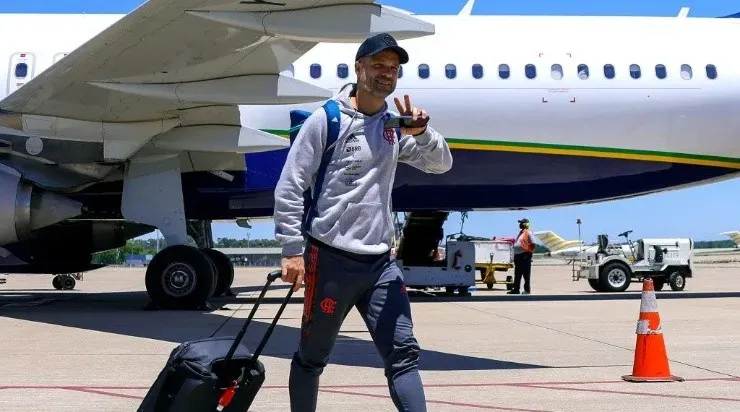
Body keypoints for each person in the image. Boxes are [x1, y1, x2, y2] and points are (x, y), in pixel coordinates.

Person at [272, 32, 453, 412]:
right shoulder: (327, 120)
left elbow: (440, 164)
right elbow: (290, 187)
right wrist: (291, 251)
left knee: (403, 355)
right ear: (359, 68)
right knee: (312, 358)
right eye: (378, 66)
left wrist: (422, 134)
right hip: (331, 260)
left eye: (393, 68)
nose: (386, 74)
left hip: (381, 265)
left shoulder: (391, 126)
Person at [508, 218, 536, 295]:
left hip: (525, 256)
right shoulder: (521, 233)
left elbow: (533, 243)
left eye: (521, 223)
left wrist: (528, 253)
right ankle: (516, 289)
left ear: (526, 224)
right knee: (517, 274)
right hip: (518, 256)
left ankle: (527, 290)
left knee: (526, 275)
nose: (520, 224)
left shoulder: (528, 232)